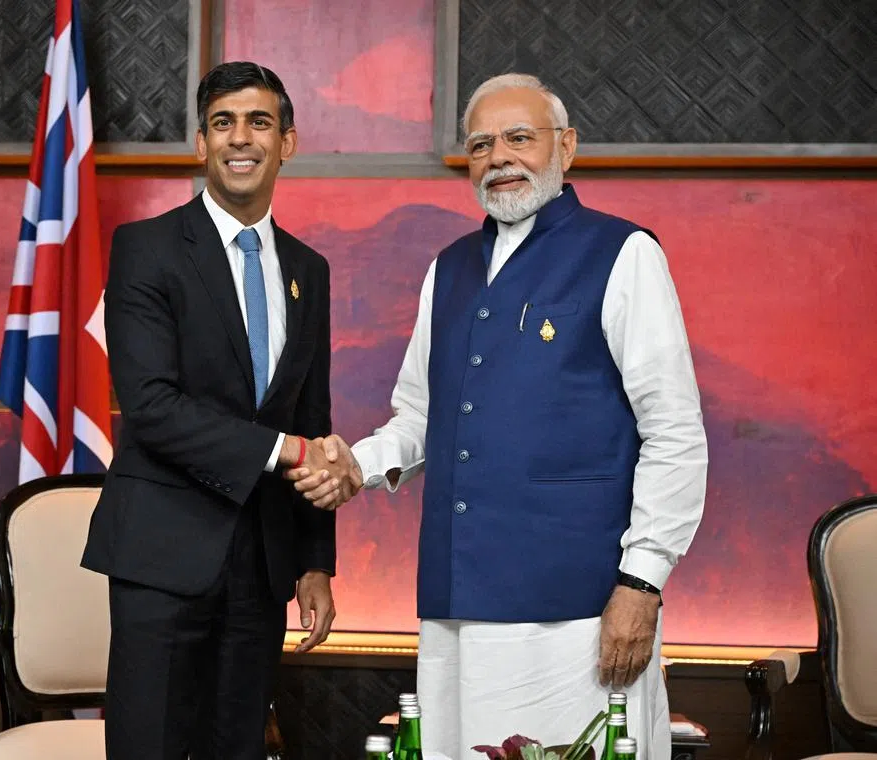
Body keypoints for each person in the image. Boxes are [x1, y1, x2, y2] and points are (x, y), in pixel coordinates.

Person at [289, 73, 708, 759]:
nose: (498, 156)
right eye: (481, 144)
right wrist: (353, 466)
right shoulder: (447, 268)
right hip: (458, 602)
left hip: (581, 608)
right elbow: (420, 415)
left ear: (566, 147)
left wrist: (642, 583)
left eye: (519, 137)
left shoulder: (624, 254)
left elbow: (675, 433)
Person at [81, 61, 356, 760]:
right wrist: (288, 452)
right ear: (200, 143)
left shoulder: (308, 271)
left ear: (286, 142)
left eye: (259, 122)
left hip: (261, 570)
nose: (242, 138)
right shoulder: (146, 250)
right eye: (223, 122)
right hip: (163, 558)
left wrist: (314, 562)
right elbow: (150, 407)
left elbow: (312, 414)